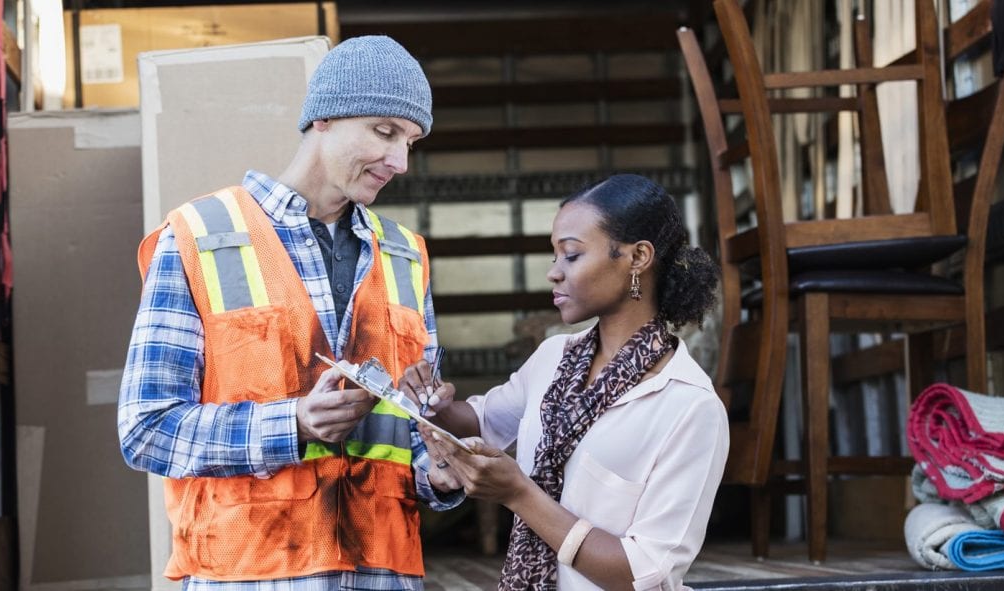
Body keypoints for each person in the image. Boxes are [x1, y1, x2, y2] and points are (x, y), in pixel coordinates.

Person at [118, 35, 461, 590]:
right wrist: (294, 423)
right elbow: (147, 429)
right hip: (249, 573)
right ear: (324, 118)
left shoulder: (405, 255)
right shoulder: (200, 237)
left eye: (411, 142)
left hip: (383, 573)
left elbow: (409, 433)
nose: (399, 161)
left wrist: (439, 471)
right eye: (385, 131)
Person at [402, 174, 729, 590]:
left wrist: (520, 494)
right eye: (554, 256)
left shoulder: (689, 406)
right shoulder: (554, 357)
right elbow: (482, 423)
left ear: (638, 257)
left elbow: (645, 573)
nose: (552, 273)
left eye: (571, 255)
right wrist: (438, 405)